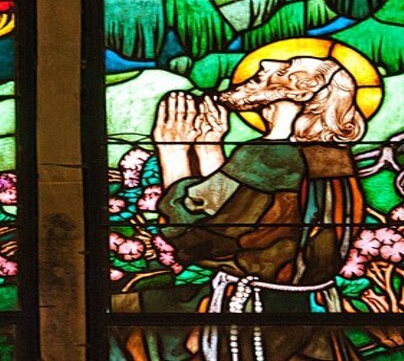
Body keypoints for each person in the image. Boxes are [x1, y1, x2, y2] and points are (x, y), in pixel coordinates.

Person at [154, 57, 366, 360]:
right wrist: (209, 148)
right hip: (309, 311)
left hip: (258, 318)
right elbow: (241, 214)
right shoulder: (333, 158)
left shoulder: (269, 156)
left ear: (303, 91)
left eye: (286, 66)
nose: (266, 61)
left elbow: (194, 235)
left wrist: (172, 151)